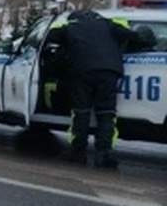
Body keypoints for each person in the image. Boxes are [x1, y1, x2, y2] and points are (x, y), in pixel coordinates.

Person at [45, 9, 146, 168]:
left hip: (82, 72)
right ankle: (103, 155)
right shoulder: (109, 25)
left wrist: (60, 24)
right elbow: (136, 38)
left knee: (81, 112)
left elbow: (50, 36)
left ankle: (78, 152)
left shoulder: (71, 27)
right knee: (106, 113)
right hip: (108, 73)